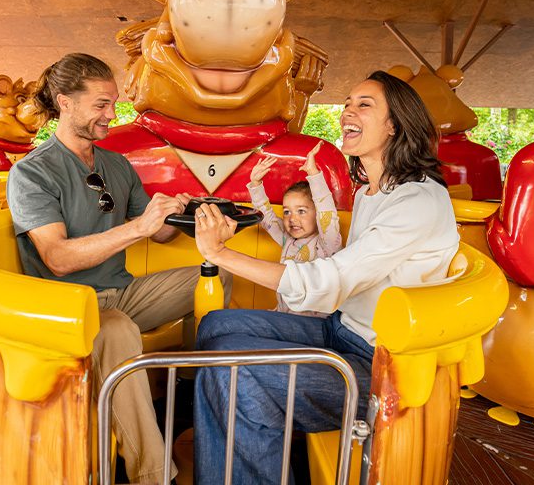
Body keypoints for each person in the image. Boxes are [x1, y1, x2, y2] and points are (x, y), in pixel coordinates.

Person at [192, 70, 460, 485]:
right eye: (348, 103)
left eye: (363, 105)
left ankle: (247, 438)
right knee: (216, 326)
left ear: (394, 125)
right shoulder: (372, 192)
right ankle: (251, 441)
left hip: (383, 367)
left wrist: (219, 253)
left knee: (231, 371)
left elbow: (326, 281)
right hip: (341, 329)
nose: (346, 111)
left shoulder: (418, 200)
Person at [7, 53, 226, 485]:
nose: (113, 114)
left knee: (212, 278)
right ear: (65, 103)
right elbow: (58, 258)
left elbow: (158, 234)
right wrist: (137, 227)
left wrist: (191, 216)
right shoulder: (32, 172)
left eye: (114, 103)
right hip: (69, 308)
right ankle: (152, 474)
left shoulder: (116, 164)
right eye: (101, 104)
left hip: (121, 295)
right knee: (117, 329)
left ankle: (194, 396)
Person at [247, 140, 342, 317]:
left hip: (314, 323)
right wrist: (255, 184)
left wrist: (314, 174)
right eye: (287, 212)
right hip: (285, 315)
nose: (292, 219)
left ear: (316, 213)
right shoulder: (287, 240)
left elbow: (326, 211)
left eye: (301, 211)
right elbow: (266, 216)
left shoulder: (326, 244)